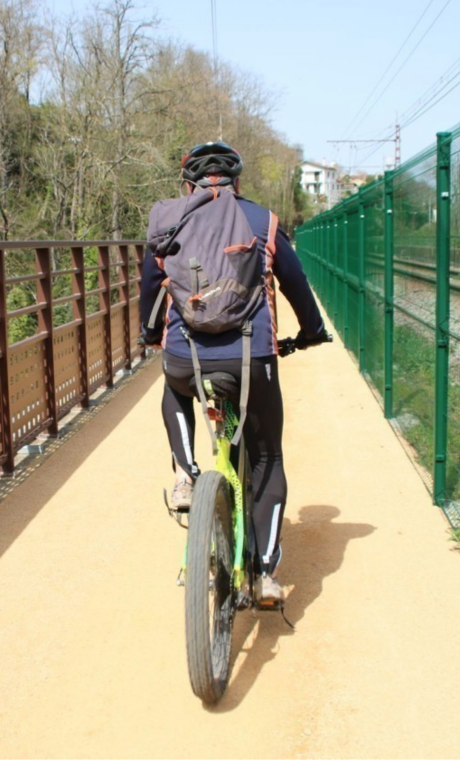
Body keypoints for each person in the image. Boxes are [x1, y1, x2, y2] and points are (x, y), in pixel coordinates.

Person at [140, 141, 331, 604]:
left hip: (189, 359)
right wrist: (311, 331)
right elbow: (296, 283)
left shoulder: (169, 220)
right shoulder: (262, 221)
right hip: (253, 361)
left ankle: (186, 473)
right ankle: (266, 572)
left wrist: (151, 335)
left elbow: (149, 286)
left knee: (174, 385)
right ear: (237, 182)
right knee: (268, 458)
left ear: (187, 184)